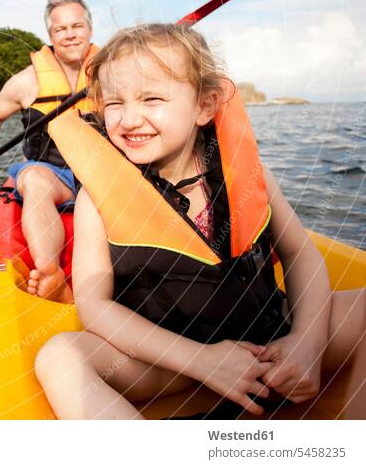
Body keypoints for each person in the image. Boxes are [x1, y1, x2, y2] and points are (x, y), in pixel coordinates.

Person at [35, 22, 366, 419]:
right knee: (59, 356)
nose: (128, 119)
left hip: (268, 347)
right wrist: (203, 361)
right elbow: (94, 304)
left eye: (151, 98)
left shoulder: (246, 173)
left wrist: (306, 343)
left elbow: (299, 254)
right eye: (114, 103)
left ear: (204, 107)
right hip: (174, 366)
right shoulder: (97, 197)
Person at [0, 0, 98, 303]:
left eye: (77, 26)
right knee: (33, 179)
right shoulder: (28, 81)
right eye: (60, 29)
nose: (69, 35)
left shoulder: (115, 74)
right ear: (50, 36)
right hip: (54, 175)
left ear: (90, 30)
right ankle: (50, 271)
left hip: (101, 173)